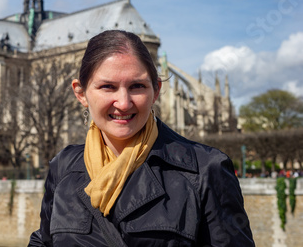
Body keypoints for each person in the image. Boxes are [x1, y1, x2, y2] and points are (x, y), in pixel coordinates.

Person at [28, 30, 254, 246]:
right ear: (81, 93)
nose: (124, 103)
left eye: (137, 86)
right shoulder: (64, 166)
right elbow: (45, 241)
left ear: (156, 90)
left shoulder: (205, 170)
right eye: (108, 87)